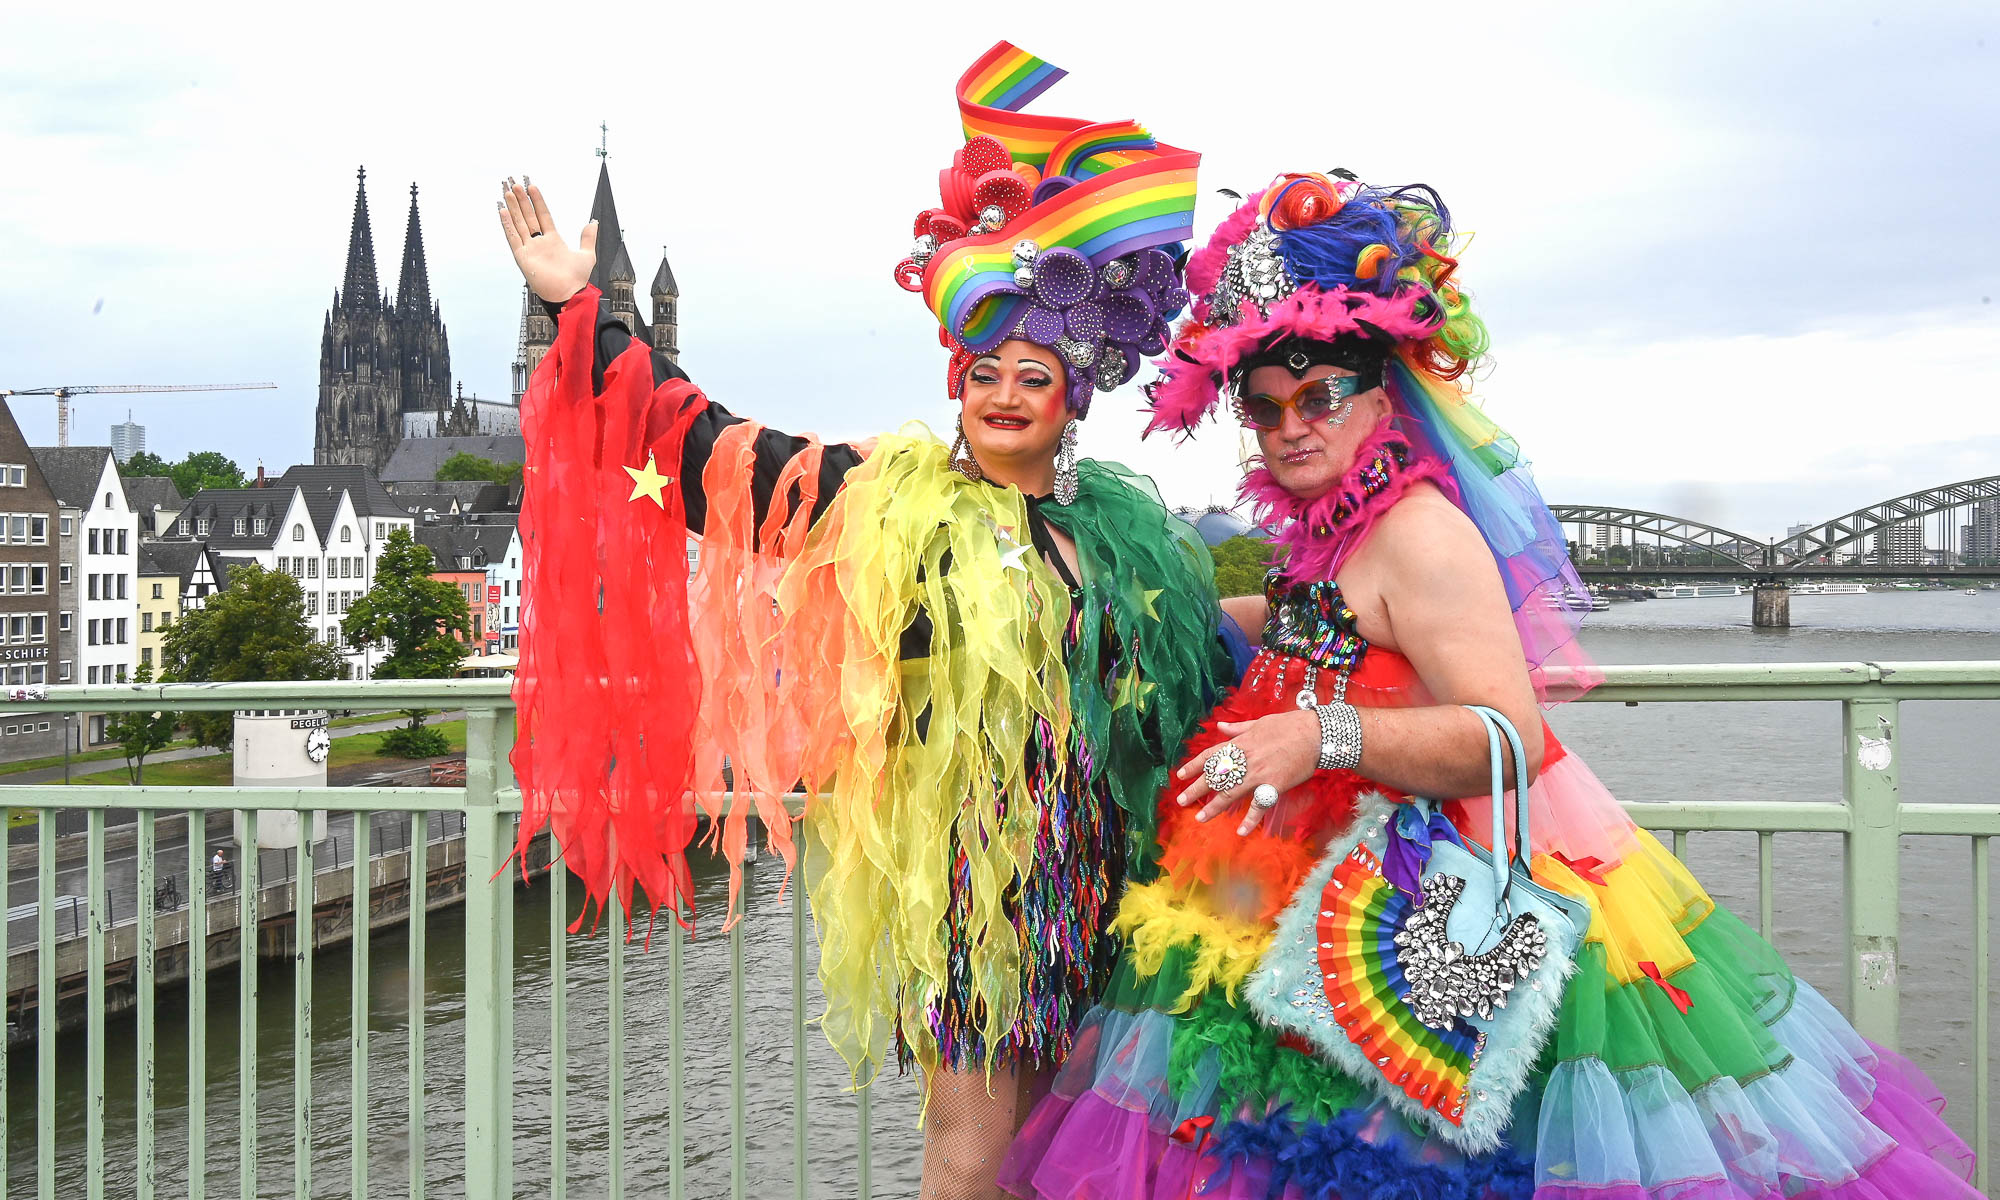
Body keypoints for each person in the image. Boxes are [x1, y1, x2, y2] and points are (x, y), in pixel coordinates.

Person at [1000, 174, 1980, 1198]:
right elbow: (1308, 632)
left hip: (1402, 917)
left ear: (1382, 398)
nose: (1289, 424)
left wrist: (1314, 738)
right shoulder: (1330, 531)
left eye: (1319, 395)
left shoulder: (1420, 534)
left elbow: (1504, 734)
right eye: (1264, 406)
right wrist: (1137, 609)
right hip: (1290, 908)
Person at [500, 44, 1233, 1199]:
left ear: (1068, 401)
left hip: (1114, 871)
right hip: (977, 883)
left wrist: (1338, 603)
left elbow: (1195, 641)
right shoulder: (883, 498)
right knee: (971, 1137)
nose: (1000, 395)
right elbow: (709, 453)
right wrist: (575, 309)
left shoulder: (1120, 536)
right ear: (956, 385)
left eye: (1030, 377)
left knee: (1084, 1140)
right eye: (981, 371)